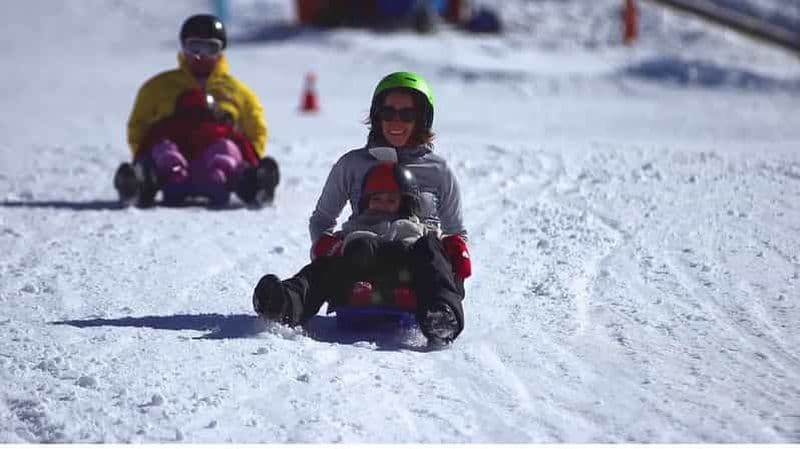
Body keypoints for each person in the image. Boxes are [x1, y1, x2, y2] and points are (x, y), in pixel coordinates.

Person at [255, 71, 472, 345]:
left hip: (415, 265)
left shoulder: (438, 170)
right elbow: (322, 219)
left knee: (431, 250)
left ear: (421, 119)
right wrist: (326, 246)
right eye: (388, 112)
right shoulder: (352, 164)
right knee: (330, 263)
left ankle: (442, 316)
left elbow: (456, 230)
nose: (396, 121)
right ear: (377, 115)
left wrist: (455, 258)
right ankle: (286, 303)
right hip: (361, 258)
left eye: (407, 114)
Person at [113, 14, 279, 207]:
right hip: (173, 151)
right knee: (164, 151)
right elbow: (138, 124)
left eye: (211, 48)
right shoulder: (159, 87)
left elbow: (256, 127)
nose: (201, 56)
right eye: (195, 47)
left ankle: (254, 182)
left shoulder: (236, 91)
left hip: (217, 153)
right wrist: (142, 155)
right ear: (184, 48)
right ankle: (140, 181)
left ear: (221, 51)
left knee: (226, 151)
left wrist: (251, 158)